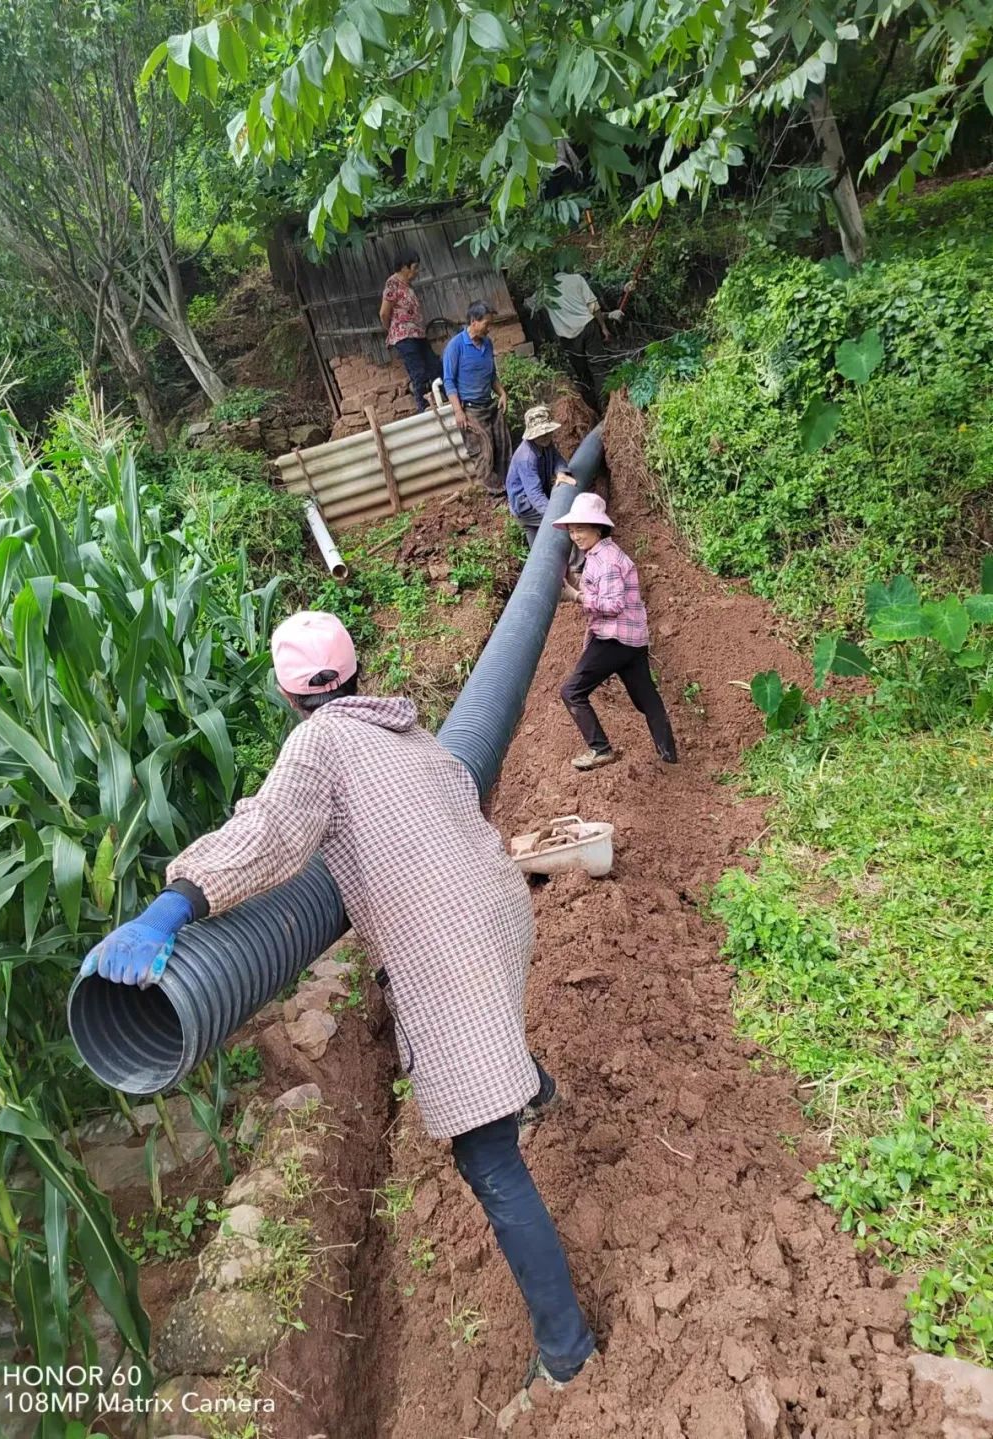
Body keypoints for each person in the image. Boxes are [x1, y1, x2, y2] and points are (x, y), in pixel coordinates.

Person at [80, 611, 597, 1398]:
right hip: (499, 906)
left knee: (485, 1156)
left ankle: (568, 1352)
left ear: (290, 696)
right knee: (491, 1029)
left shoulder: (318, 742)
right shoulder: (409, 731)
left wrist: (173, 905)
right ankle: (538, 1091)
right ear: (356, 673)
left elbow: (270, 830)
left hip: (450, 940)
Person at [554, 493, 677, 771]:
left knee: (572, 691)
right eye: (572, 530)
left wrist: (576, 596)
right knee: (648, 699)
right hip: (633, 641)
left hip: (614, 638)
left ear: (599, 528)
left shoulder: (605, 560)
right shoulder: (604, 555)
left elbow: (613, 605)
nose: (576, 535)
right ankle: (669, 758)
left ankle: (600, 749)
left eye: (581, 529)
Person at [442, 299, 512, 496]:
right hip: (470, 409)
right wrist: (458, 411)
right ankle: (496, 493)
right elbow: (449, 382)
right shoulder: (455, 346)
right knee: (483, 451)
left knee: (502, 444)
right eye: (486, 324)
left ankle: (508, 486)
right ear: (473, 321)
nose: (489, 329)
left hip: (489, 404)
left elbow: (491, 376)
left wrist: (502, 393)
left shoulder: (487, 344)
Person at [529, 272, 611, 409]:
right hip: (588, 326)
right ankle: (606, 405)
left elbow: (530, 306)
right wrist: (603, 327)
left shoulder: (544, 289)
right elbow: (593, 306)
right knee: (598, 367)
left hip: (567, 337)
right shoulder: (576, 279)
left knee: (582, 371)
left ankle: (591, 406)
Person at [505, 404, 576, 548]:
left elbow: (557, 459)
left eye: (547, 433)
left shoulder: (545, 444)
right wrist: (555, 515)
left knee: (538, 545)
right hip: (526, 507)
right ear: (532, 435)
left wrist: (561, 473)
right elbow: (535, 495)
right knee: (567, 523)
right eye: (540, 434)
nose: (544, 436)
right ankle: (577, 564)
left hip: (535, 500)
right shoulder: (526, 458)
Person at [379, 250, 442, 413]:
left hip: (417, 334)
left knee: (435, 367)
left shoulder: (407, 285)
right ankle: (424, 408)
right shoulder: (392, 283)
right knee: (418, 372)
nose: (416, 271)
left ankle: (442, 401)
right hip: (404, 336)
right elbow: (384, 313)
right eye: (414, 267)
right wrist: (393, 330)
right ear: (404, 267)